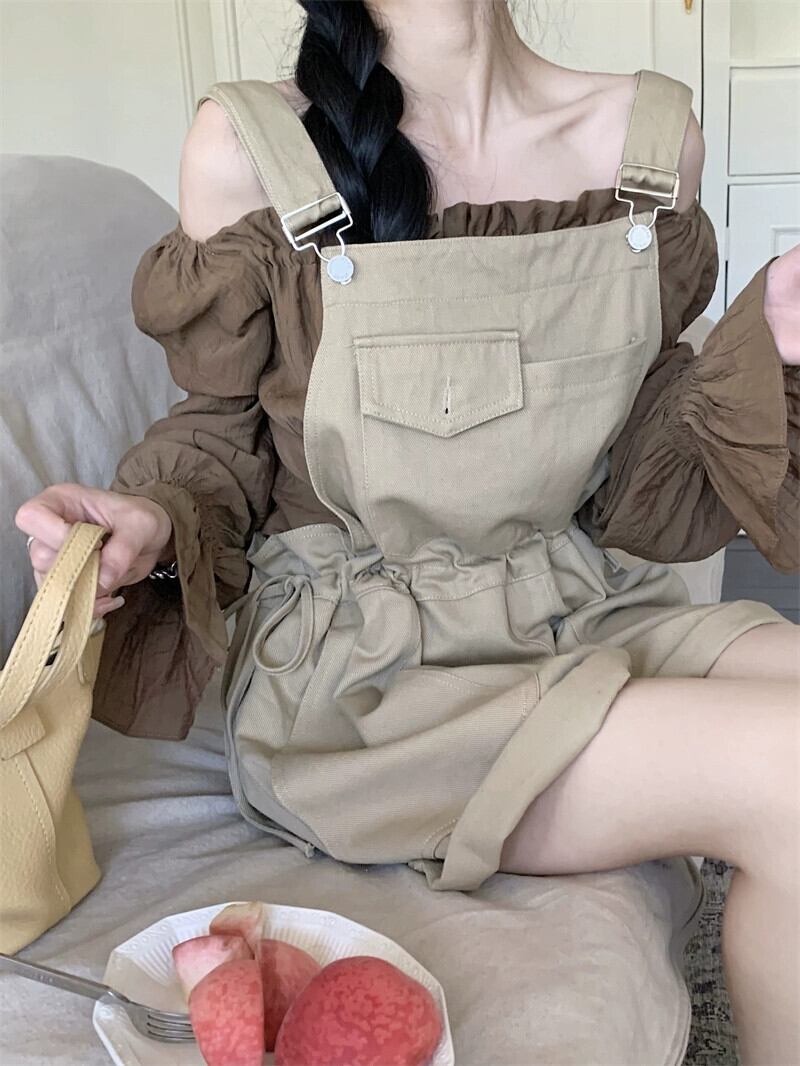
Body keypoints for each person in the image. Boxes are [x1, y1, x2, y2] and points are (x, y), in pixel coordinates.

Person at [15, 2, 800, 1061]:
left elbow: (634, 482)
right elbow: (219, 436)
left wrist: (771, 344)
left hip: (576, 603)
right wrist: (151, 519)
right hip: (365, 687)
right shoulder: (249, 145)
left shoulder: (649, 139)